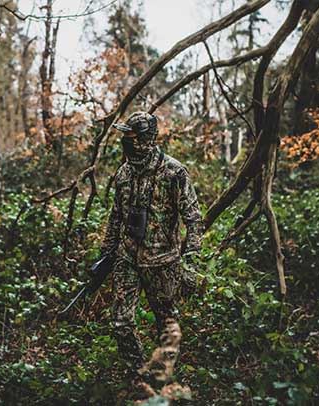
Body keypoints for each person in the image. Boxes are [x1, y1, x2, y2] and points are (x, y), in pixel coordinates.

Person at [100, 111, 204, 394]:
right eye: (125, 138)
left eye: (131, 138)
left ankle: (161, 379)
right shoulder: (123, 172)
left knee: (167, 323)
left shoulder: (174, 172)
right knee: (121, 322)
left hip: (162, 263)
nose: (126, 143)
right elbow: (116, 216)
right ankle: (139, 378)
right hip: (127, 257)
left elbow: (193, 218)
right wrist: (106, 251)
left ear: (147, 139)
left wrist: (191, 262)